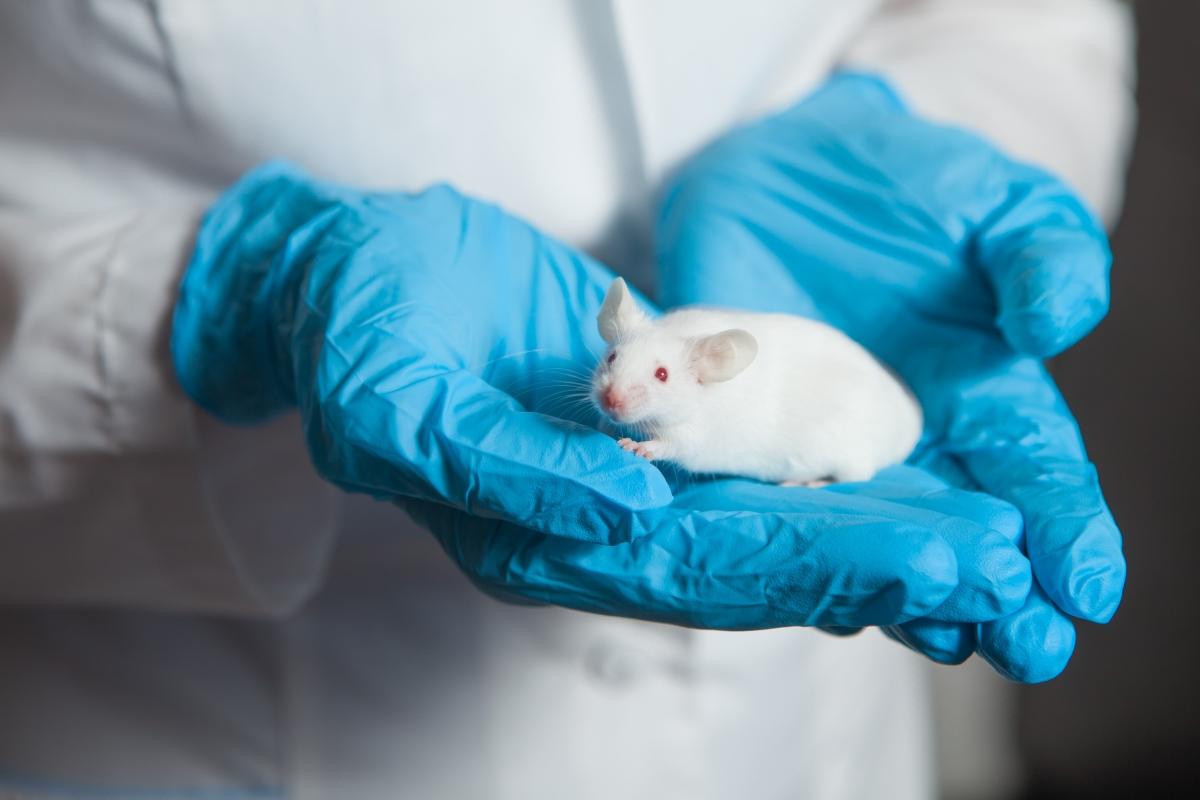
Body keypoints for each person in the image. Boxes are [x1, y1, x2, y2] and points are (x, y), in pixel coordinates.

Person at [0, 2, 1132, 798]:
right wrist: (230, 298)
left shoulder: (700, 378)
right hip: (195, 704)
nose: (606, 391)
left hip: (793, 741)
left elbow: (1026, 18)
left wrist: (928, 119)